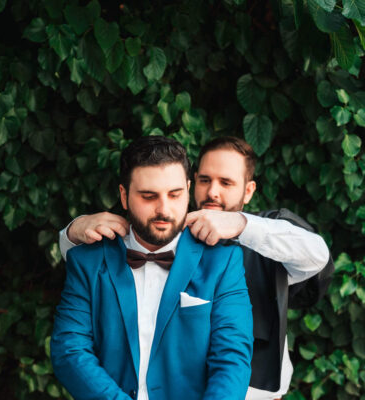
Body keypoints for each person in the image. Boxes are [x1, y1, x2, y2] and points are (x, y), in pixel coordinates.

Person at [59, 136, 334, 400]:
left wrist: (242, 225)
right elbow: (71, 346)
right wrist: (70, 233)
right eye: (205, 180)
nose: (213, 191)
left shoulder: (240, 250)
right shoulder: (95, 255)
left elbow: (318, 257)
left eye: (226, 182)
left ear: (249, 190)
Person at [51, 136, 254, 400]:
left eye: (175, 194)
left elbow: (232, 359)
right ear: (124, 196)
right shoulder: (87, 260)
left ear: (188, 189)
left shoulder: (223, 261)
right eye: (149, 196)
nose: (164, 210)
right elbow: (70, 351)